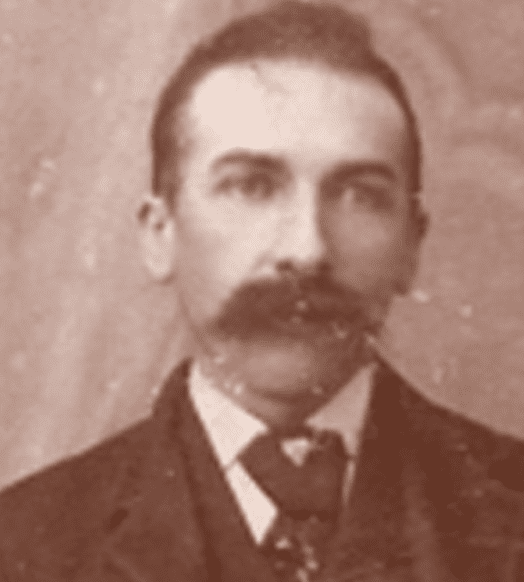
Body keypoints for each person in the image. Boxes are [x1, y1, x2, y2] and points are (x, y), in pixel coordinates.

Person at [1, 2, 524, 581]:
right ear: (160, 233)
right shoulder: (23, 543)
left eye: (360, 194)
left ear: (412, 244)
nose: (307, 249)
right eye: (251, 186)